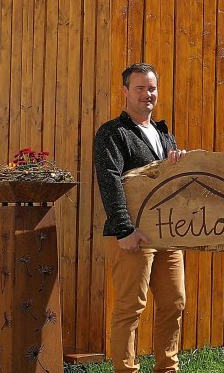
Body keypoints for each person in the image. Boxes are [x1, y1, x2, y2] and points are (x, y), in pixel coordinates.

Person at [93, 62, 187, 373]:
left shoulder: (164, 133)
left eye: (152, 88)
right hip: (135, 234)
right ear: (125, 92)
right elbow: (110, 181)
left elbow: (171, 183)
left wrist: (178, 164)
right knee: (130, 309)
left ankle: (167, 368)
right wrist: (124, 230)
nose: (148, 94)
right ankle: (125, 370)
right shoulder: (112, 133)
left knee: (174, 303)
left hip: (168, 235)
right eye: (140, 88)